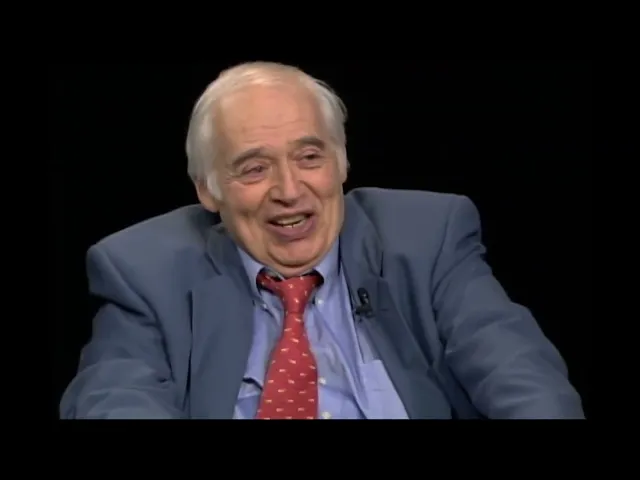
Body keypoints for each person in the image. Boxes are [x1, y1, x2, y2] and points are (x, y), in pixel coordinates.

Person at [60, 61, 585, 419]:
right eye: (255, 168)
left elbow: (521, 377)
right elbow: (116, 396)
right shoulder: (145, 271)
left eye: (310, 158)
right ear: (208, 189)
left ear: (342, 162)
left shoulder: (428, 238)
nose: (289, 191)